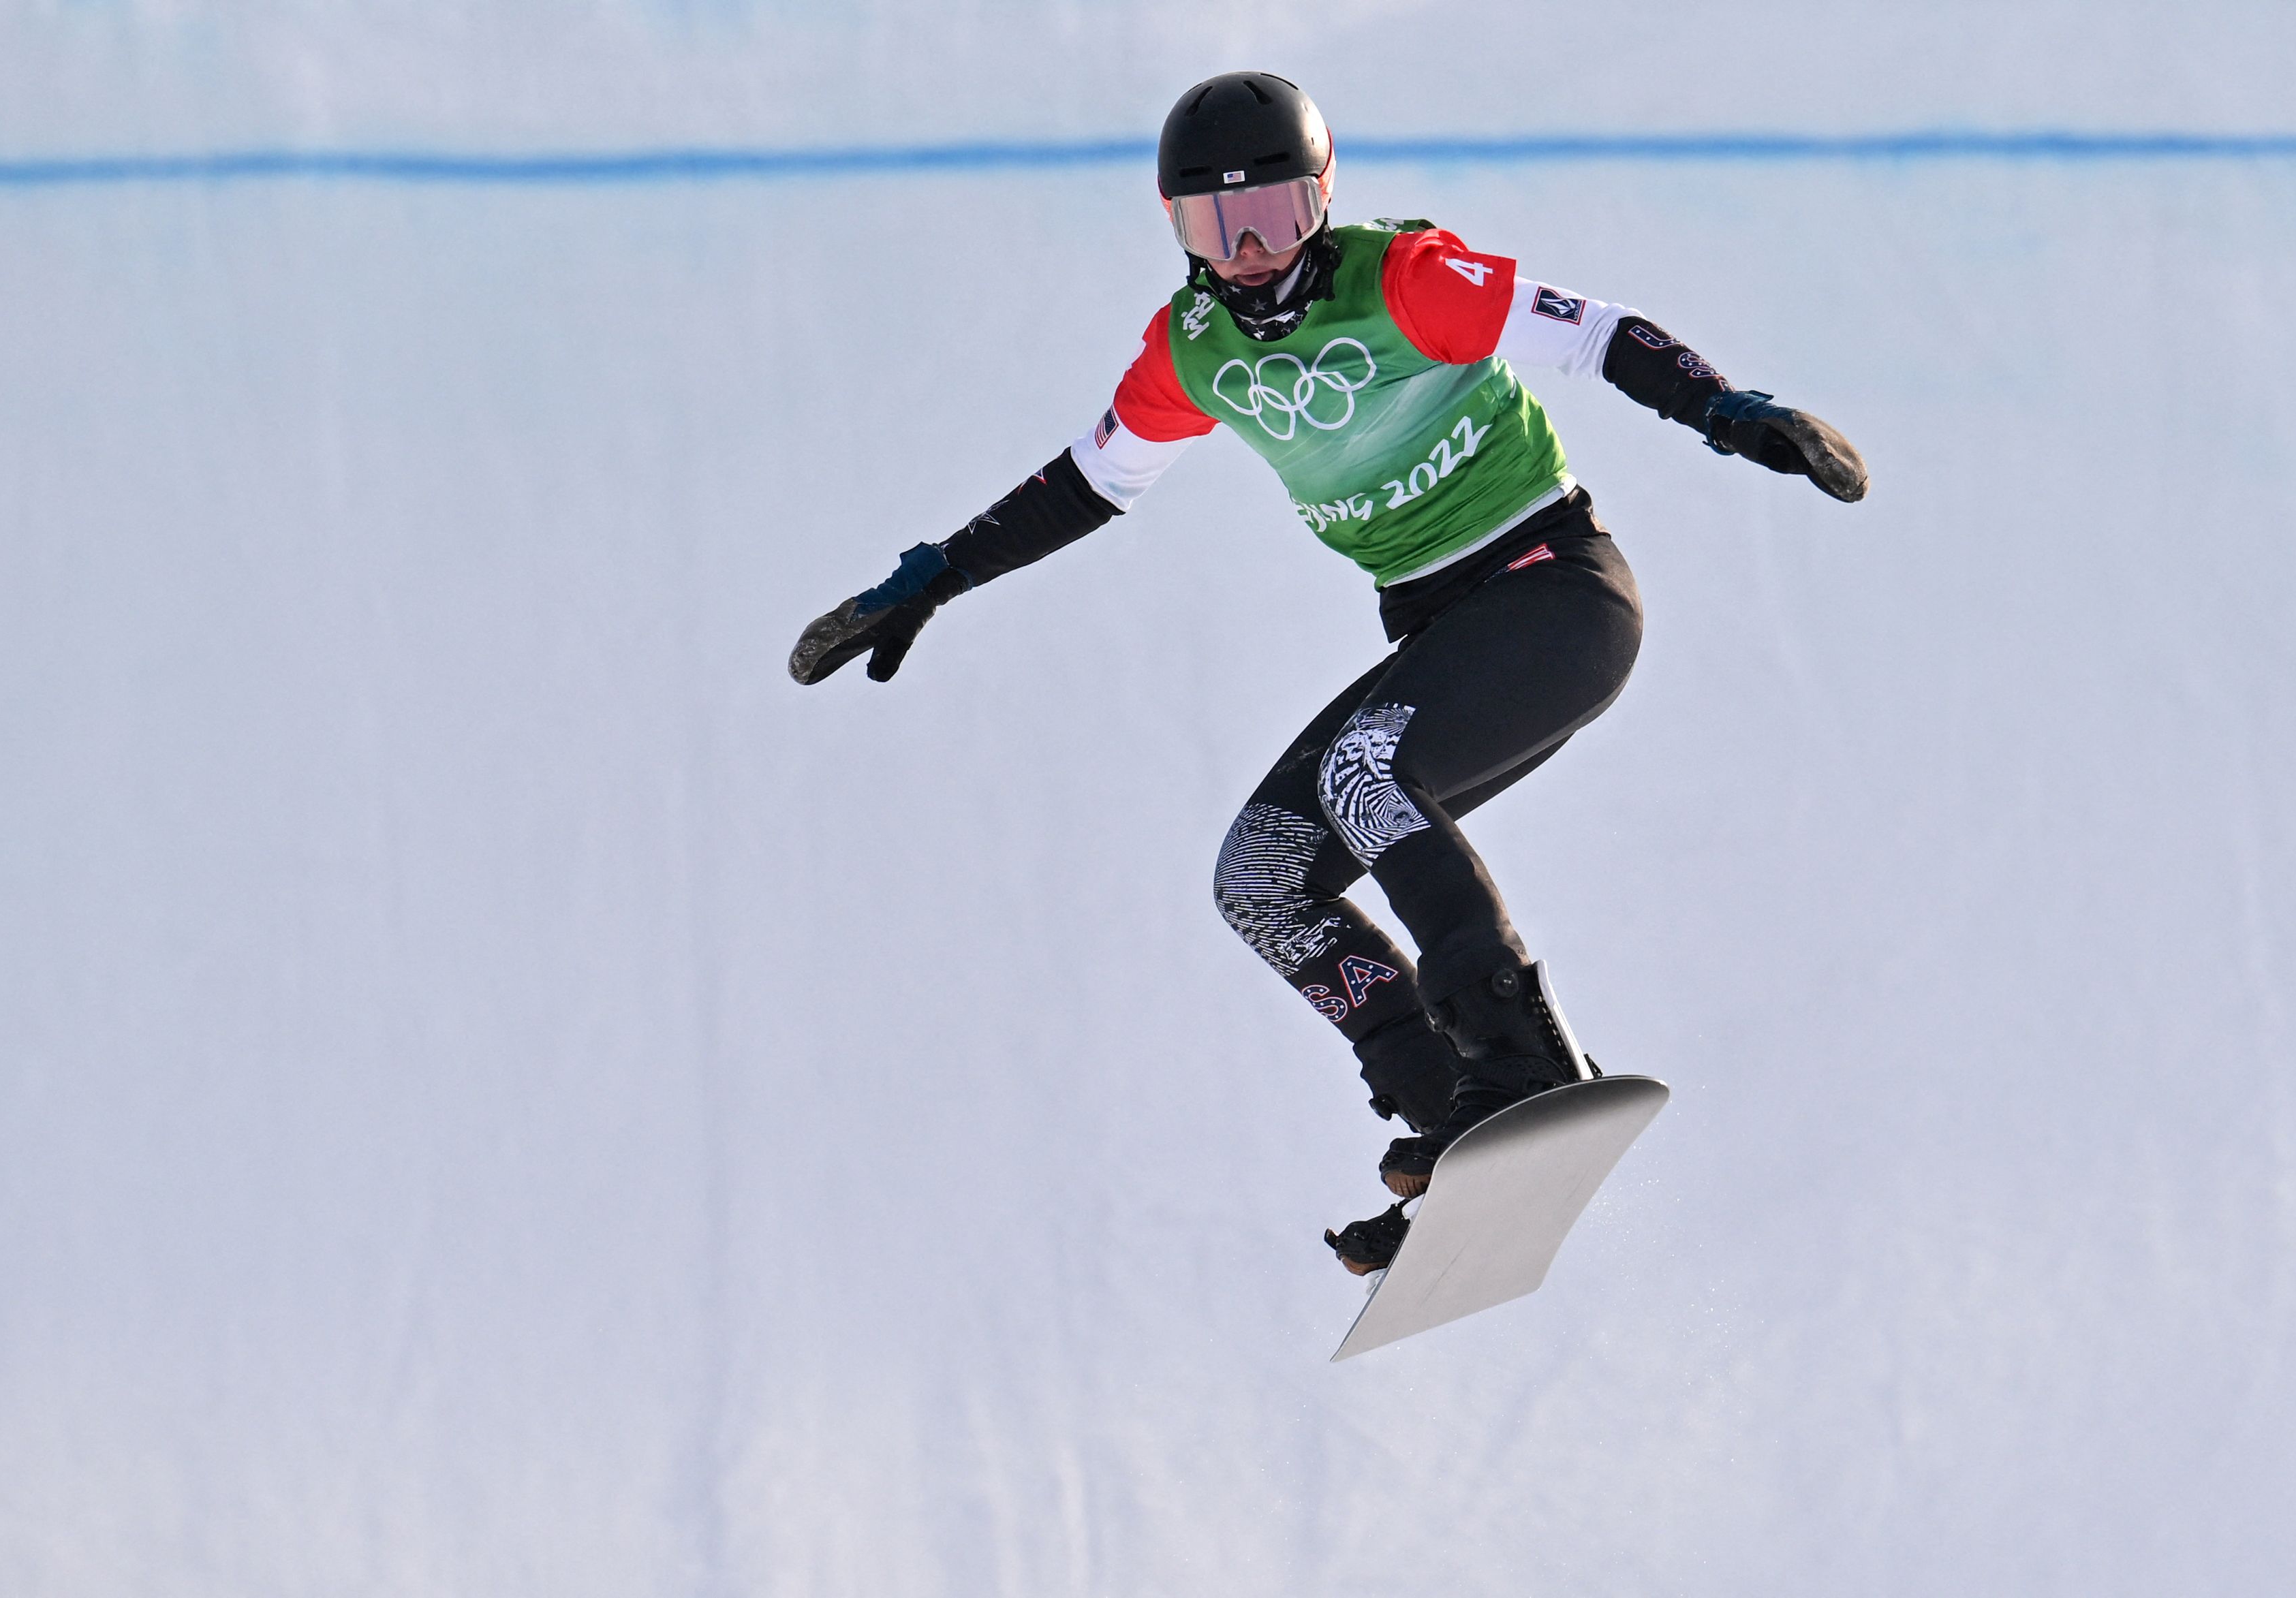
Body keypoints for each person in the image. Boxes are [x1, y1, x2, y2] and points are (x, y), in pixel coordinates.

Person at [791, 71, 1867, 1274]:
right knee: (1259, 877)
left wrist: (1727, 410)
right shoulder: (1191, 350)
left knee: (1366, 771)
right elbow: (1087, 484)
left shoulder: (1403, 282)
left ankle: (1520, 1065)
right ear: (1175, 231)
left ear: (1324, 203)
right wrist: (935, 573)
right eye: (1213, 227)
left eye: (1276, 217)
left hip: (1554, 593)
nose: (1248, 255)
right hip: (1443, 633)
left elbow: (1600, 334)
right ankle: (1453, 1118)